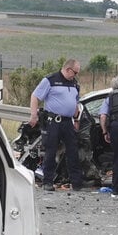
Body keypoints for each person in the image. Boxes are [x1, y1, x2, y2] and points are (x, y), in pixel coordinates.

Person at [29, 59, 83, 192]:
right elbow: (35, 96)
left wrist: (77, 120)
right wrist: (33, 115)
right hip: (53, 122)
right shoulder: (50, 80)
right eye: (74, 72)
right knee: (51, 152)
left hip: (67, 122)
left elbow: (76, 104)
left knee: (72, 151)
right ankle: (48, 182)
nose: (75, 75)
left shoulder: (75, 84)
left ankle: (76, 183)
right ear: (68, 69)